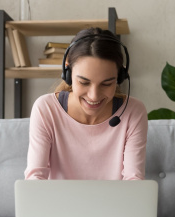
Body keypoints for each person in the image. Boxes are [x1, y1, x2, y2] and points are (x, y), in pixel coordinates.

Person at [24, 27, 148, 180]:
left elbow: (134, 180)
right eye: (84, 82)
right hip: (58, 204)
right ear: (68, 72)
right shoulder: (46, 109)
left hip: (114, 204)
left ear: (120, 76)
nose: (94, 96)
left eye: (107, 84)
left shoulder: (133, 112)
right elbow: (34, 179)